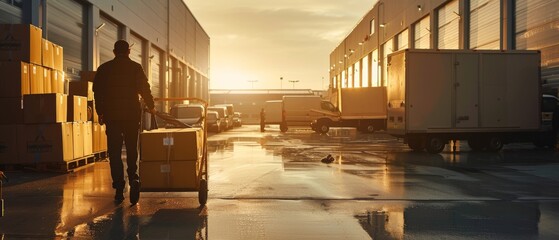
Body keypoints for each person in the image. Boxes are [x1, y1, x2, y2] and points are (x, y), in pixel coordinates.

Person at [93, 40, 156, 205]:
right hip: (131, 116)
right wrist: (151, 106)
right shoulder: (135, 68)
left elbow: (98, 93)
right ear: (128, 52)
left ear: (114, 52)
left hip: (112, 117)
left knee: (114, 152)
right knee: (131, 149)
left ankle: (119, 188)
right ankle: (133, 178)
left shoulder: (104, 69)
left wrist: (100, 113)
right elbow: (144, 88)